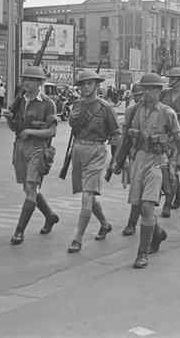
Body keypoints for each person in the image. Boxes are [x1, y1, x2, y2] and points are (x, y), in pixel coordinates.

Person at [112, 73, 180, 268]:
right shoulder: (132, 111)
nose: (147, 92)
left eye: (152, 89)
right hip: (138, 159)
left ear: (159, 91)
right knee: (139, 206)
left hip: (158, 161)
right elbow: (125, 139)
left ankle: (142, 253)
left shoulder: (167, 113)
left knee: (147, 206)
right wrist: (116, 160)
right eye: (145, 88)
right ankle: (158, 234)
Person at [1, 66, 60, 245]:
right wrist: (9, 118)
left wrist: (31, 131)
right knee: (29, 189)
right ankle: (50, 216)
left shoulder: (47, 103)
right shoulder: (20, 101)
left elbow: (52, 131)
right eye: (25, 79)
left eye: (31, 79)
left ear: (39, 83)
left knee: (30, 188)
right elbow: (15, 130)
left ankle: (19, 231)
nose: (26, 82)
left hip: (38, 149)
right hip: (20, 147)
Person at [66, 70, 121, 254]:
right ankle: (105, 224)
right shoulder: (76, 105)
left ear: (97, 85)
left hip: (97, 151)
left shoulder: (105, 108)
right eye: (83, 84)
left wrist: (115, 159)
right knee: (89, 193)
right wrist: (72, 121)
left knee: (86, 196)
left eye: (89, 83)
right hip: (78, 150)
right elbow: (74, 128)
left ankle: (78, 238)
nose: (85, 87)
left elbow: (115, 135)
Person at [158, 66, 180, 217]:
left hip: (179, 138)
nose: (170, 81)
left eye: (173, 78)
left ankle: (168, 204)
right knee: (163, 169)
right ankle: (178, 195)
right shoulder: (164, 95)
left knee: (171, 169)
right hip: (164, 138)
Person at [120, 83, 144, 236]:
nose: (138, 99)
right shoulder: (131, 110)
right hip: (136, 154)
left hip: (157, 157)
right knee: (138, 192)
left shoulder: (161, 110)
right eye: (136, 97)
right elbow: (124, 137)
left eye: (139, 96)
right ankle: (132, 223)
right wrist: (123, 159)